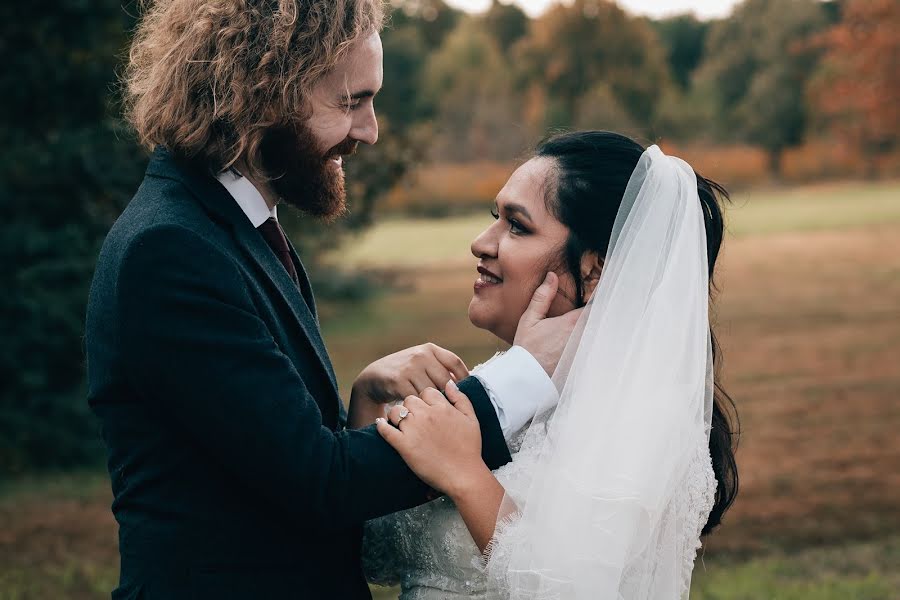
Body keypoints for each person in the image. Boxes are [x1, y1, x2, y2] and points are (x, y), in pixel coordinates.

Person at [84, 2, 579, 598]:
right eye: (351, 102)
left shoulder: (234, 231)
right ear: (264, 92)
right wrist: (521, 377)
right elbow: (318, 483)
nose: (370, 130)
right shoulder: (172, 250)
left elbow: (269, 459)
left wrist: (365, 397)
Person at [363, 131, 740, 599]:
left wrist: (465, 475)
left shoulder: (641, 419)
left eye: (517, 226)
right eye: (493, 219)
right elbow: (376, 556)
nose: (482, 243)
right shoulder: (496, 391)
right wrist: (369, 398)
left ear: (596, 270)